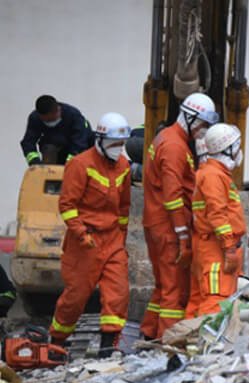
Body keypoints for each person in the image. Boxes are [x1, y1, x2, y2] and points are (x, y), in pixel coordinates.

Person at [50, 112, 131, 357]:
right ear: (100, 139)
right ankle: (57, 342)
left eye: (122, 144)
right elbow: (67, 205)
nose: (119, 149)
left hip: (113, 238)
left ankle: (108, 346)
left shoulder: (124, 166)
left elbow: (124, 206)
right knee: (76, 296)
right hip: (85, 241)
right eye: (114, 144)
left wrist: (122, 236)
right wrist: (81, 233)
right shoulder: (80, 164)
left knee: (118, 292)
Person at [141, 93, 219, 340]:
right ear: (188, 117)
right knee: (174, 291)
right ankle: (169, 343)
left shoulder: (172, 140)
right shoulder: (174, 146)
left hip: (160, 223)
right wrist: (183, 236)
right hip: (168, 227)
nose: (203, 131)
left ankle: (148, 334)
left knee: (164, 287)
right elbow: (173, 196)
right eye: (202, 124)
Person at [185, 123, 246, 317]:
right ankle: (207, 344)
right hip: (216, 249)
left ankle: (191, 343)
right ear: (226, 148)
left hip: (211, 246)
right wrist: (229, 247)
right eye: (236, 145)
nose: (239, 150)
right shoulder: (213, 176)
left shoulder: (213, 174)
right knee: (216, 299)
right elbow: (217, 214)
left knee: (199, 300)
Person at [21, 95, 93, 165]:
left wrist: (70, 164)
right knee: (48, 149)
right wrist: (35, 163)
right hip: (55, 151)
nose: (50, 123)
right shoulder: (35, 118)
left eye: (53, 119)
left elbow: (80, 142)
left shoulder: (73, 115)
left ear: (58, 110)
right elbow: (28, 143)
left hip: (78, 150)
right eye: (47, 120)